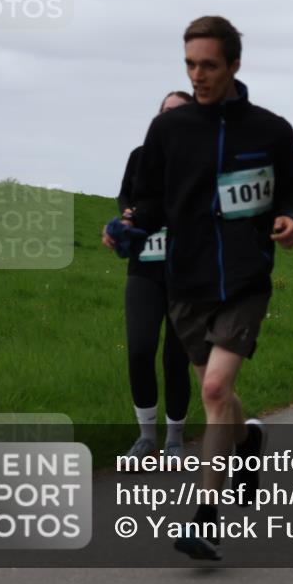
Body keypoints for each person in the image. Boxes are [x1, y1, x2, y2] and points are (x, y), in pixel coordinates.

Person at [129, 16, 293, 561]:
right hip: (186, 280)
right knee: (218, 391)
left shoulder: (270, 130)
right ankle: (248, 442)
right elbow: (149, 199)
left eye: (208, 64)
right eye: (190, 64)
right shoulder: (169, 131)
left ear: (234, 64)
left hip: (245, 279)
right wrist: (128, 226)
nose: (198, 75)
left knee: (212, 391)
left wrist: (289, 218)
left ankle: (206, 517)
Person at [102, 91, 192, 463]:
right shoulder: (140, 157)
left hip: (187, 273)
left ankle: (174, 437)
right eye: (164, 111)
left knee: (176, 356)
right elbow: (127, 194)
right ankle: (145, 436)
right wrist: (126, 219)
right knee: (139, 349)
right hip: (144, 267)